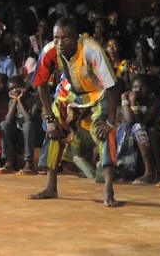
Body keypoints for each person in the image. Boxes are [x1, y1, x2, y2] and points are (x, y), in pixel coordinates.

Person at [28, 17, 119, 207]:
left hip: (97, 93)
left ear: (76, 37)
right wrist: (50, 118)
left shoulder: (92, 50)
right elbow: (40, 85)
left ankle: (108, 189)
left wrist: (110, 123)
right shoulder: (50, 50)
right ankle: (51, 186)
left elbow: (111, 87)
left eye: (65, 38)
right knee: (53, 132)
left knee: (105, 134)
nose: (60, 43)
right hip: (69, 92)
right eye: (57, 38)